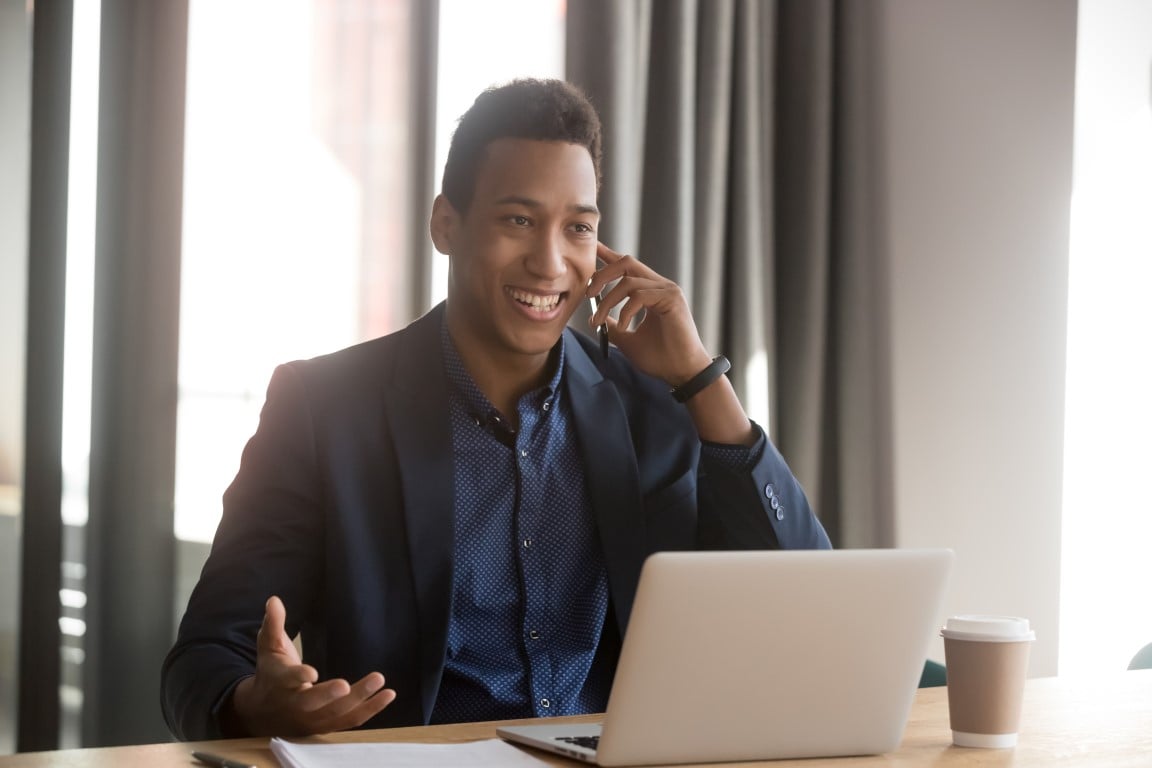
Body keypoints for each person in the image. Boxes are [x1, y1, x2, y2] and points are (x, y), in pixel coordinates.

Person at [161, 78, 830, 741]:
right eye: (519, 220)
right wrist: (254, 703)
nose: (549, 261)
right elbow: (203, 659)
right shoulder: (325, 411)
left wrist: (700, 379)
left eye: (577, 229)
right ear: (445, 224)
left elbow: (809, 611)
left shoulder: (655, 409)